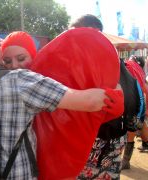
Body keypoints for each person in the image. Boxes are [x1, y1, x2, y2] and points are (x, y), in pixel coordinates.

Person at [0, 22, 124, 179]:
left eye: (21, 59)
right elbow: (90, 102)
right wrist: (114, 94)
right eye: (6, 59)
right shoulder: (20, 81)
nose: (14, 66)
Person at [70, 14, 144, 179]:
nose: (70, 41)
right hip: (112, 140)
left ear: (93, 33)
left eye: (74, 36)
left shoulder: (94, 64)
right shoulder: (117, 64)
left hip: (97, 141)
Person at [121, 55, 148, 169]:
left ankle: (126, 161)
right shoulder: (140, 71)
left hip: (133, 98)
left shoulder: (128, 65)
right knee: (139, 123)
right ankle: (146, 142)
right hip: (140, 96)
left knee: (132, 126)